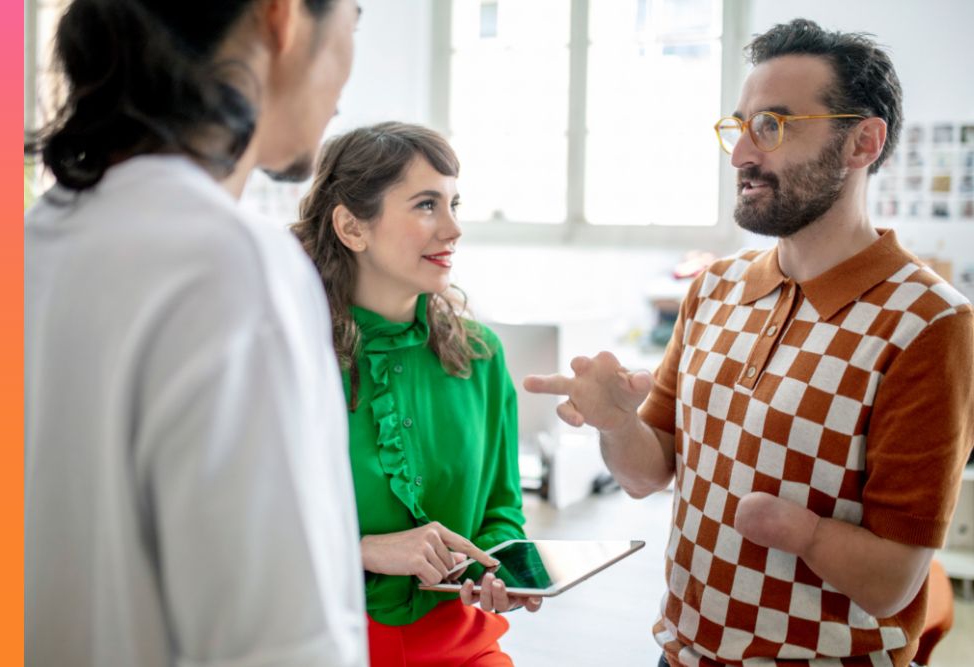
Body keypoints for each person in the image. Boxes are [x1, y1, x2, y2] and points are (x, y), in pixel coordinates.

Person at [526, 19, 974, 667]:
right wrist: (618, 423)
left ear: (862, 142)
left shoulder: (929, 324)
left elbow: (892, 582)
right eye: (739, 126)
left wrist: (805, 533)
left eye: (773, 126)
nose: (740, 154)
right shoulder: (715, 287)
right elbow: (646, 472)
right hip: (679, 653)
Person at [24, 1, 366, 665]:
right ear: (281, 17)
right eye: (356, 15)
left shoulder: (24, 250)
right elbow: (283, 648)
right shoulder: (232, 268)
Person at [292, 122, 541, 667]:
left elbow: (502, 508)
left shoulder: (480, 356)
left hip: (464, 644)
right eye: (427, 205)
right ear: (352, 228)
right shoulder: (285, 359)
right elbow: (236, 537)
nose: (453, 229)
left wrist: (503, 568)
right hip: (318, 643)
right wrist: (363, 552)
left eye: (455, 203)